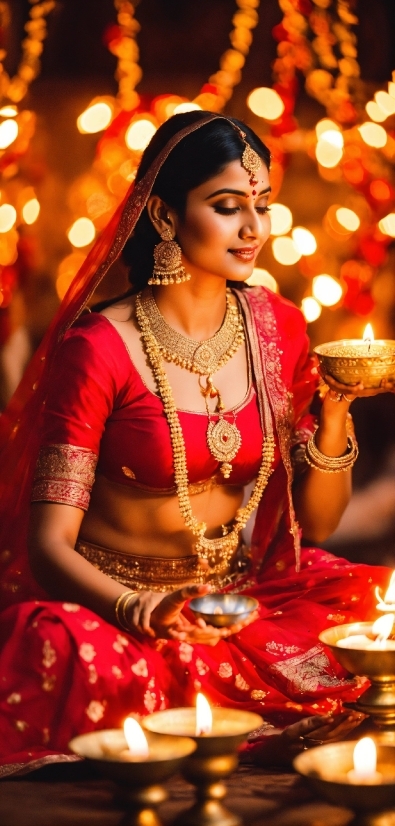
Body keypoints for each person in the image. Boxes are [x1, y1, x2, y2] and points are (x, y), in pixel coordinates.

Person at [0, 111, 393, 777]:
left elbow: (317, 524)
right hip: (121, 611)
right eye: (226, 206)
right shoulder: (100, 348)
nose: (252, 229)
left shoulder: (278, 329)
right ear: (162, 214)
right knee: (56, 644)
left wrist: (332, 411)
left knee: (373, 604)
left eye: (261, 206)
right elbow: (47, 546)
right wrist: (143, 608)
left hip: (241, 601)